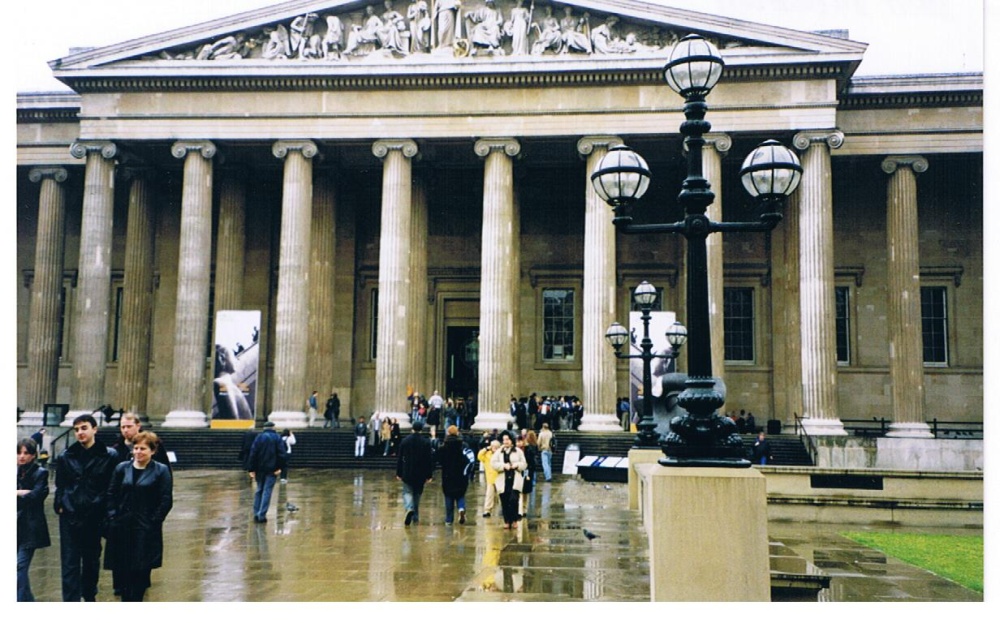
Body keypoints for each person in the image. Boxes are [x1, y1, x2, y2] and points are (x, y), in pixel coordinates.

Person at [53, 412, 119, 601]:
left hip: (94, 517)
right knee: (69, 562)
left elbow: (112, 486)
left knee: (90, 560)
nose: (80, 433)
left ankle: (89, 596)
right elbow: (61, 484)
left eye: (84, 428)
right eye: (76, 430)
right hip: (70, 515)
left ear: (94, 429)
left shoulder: (109, 455)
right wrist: (60, 504)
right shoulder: (66, 456)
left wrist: (106, 510)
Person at [103, 431, 173, 601]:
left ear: (152, 451)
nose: (138, 452)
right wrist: (112, 516)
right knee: (123, 570)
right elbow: (111, 493)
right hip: (122, 527)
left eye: (143, 448)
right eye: (135, 448)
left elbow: (166, 500)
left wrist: (154, 521)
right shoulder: (122, 468)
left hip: (145, 528)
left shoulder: (161, 470)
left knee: (141, 571)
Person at [17, 438, 51, 602]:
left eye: (26, 453)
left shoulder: (41, 473)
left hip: (30, 528)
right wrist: (20, 493)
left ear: (33, 455)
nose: (21, 456)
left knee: (19, 567)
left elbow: (36, 496)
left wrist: (17, 493)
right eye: (19, 452)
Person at [396, 420, 434, 526]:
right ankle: (415, 516)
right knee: (417, 494)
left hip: (407, 471)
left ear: (412, 428)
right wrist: (429, 475)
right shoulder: (426, 442)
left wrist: (399, 472)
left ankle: (409, 508)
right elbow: (429, 460)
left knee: (407, 492)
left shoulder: (405, 441)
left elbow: (400, 458)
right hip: (421, 473)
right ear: (421, 429)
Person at [247, 421, 287, 523]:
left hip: (259, 469)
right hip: (272, 469)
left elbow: (253, 453)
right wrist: (280, 468)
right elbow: (282, 454)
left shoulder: (259, 437)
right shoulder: (277, 438)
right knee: (267, 491)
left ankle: (256, 513)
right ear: (273, 428)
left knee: (259, 490)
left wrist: (251, 469)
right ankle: (262, 515)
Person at [491, 431, 527, 529]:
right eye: (504, 440)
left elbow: (524, 464)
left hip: (515, 478)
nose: (506, 442)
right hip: (503, 479)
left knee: (514, 499)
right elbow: (493, 463)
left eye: (507, 439)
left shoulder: (518, 451)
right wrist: (503, 466)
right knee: (505, 500)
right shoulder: (499, 451)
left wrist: (517, 465)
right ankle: (507, 521)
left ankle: (514, 520)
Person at [437, 425, 471, 525]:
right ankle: (461, 508)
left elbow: (438, 459)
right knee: (460, 495)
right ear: (457, 433)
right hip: (461, 474)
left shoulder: (444, 446)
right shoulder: (463, 445)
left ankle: (449, 519)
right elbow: (467, 459)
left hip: (447, 475)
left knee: (448, 496)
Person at [477, 439, 500, 518]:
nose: (495, 448)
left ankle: (503, 510)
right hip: (490, 478)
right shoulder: (487, 455)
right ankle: (487, 510)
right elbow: (479, 456)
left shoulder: (501, 455)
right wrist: (486, 449)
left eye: (497, 447)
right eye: (493, 447)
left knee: (501, 496)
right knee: (489, 495)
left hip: (500, 478)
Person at [519, 430, 538, 519]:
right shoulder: (516, 450)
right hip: (519, 473)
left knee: (525, 492)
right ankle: (520, 509)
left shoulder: (528, 450)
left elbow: (531, 462)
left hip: (527, 472)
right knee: (519, 492)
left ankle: (524, 509)